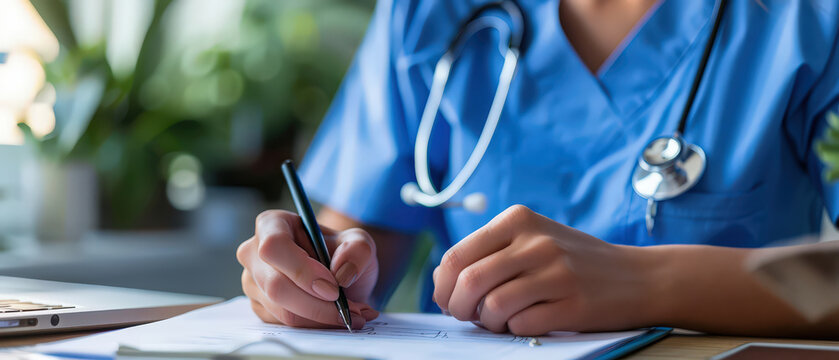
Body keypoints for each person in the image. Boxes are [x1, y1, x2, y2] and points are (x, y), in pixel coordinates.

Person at [236, 0, 839, 337]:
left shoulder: (809, 22)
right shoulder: (431, 14)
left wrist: (648, 284)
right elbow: (357, 243)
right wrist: (314, 277)